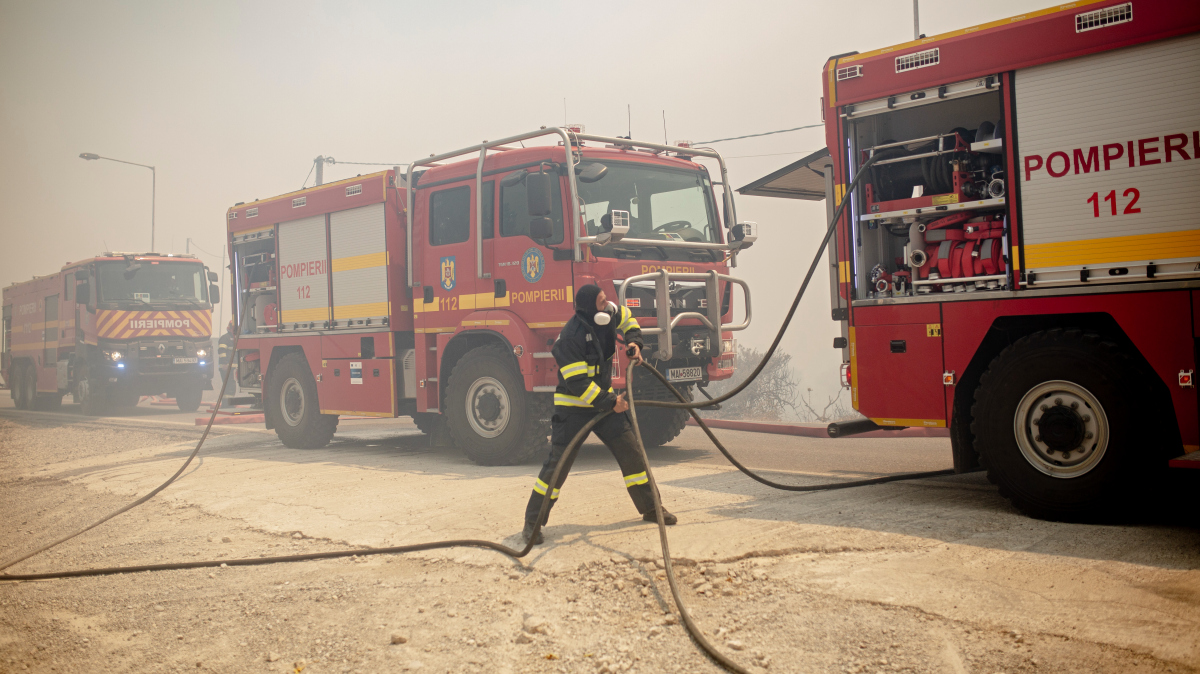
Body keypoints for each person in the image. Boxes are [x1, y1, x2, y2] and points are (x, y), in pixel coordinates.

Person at [522, 284, 678, 545]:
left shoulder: (608, 315)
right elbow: (578, 383)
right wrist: (610, 402)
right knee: (557, 467)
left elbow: (629, 319)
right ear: (590, 309)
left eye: (607, 300)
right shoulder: (570, 338)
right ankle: (532, 524)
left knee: (632, 453)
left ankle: (652, 508)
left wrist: (634, 342)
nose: (608, 305)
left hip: (606, 403)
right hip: (574, 409)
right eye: (602, 301)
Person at [216, 320, 237, 408]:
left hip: (232, 367)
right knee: (229, 385)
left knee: (230, 385)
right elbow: (221, 351)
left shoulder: (234, 338)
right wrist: (225, 364)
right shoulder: (225, 338)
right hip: (226, 367)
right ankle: (227, 405)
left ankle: (227, 404)